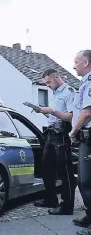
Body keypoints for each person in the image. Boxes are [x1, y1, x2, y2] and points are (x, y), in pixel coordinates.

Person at [33, 68, 76, 215]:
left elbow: (70, 116)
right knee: (46, 167)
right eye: (45, 83)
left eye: (48, 82)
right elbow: (54, 115)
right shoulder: (55, 93)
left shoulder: (68, 92)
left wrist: (51, 111)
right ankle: (51, 199)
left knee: (64, 171)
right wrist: (45, 112)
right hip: (51, 133)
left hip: (62, 133)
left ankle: (67, 206)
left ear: (56, 77)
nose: (47, 86)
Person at [69, 50, 91, 235]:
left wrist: (73, 131)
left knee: (85, 181)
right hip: (85, 136)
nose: (73, 65)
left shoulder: (90, 82)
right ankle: (89, 217)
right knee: (85, 181)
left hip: (89, 136)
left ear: (86, 63)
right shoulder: (84, 82)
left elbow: (87, 112)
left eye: (76, 62)